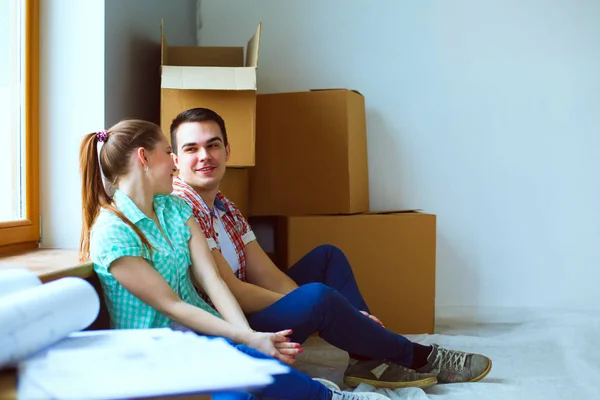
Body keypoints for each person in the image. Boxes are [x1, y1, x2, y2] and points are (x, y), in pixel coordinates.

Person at [169, 108, 493, 388]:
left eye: (213, 145)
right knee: (319, 297)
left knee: (327, 257)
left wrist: (339, 312)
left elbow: (265, 273)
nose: (204, 156)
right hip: (233, 326)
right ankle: (418, 357)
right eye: (191, 149)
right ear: (176, 159)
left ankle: (366, 355)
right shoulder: (182, 207)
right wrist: (336, 309)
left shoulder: (225, 206)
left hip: (250, 307)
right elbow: (234, 292)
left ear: (227, 149)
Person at [78, 119, 392, 400]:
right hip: (158, 348)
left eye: (213, 145)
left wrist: (251, 338)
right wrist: (248, 338)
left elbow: (212, 278)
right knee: (242, 372)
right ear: (144, 158)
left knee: (248, 355)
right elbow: (172, 305)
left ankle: (362, 355)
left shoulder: (172, 208)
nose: (174, 164)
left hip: (202, 329)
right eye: (167, 151)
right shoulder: (111, 232)